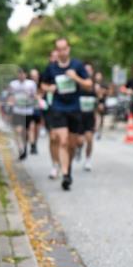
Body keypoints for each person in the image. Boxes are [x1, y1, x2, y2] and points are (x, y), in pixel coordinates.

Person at [40, 37, 92, 190]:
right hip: (58, 107)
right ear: (56, 51)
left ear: (68, 49)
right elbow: (43, 84)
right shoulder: (52, 68)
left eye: (64, 49)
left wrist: (75, 77)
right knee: (62, 140)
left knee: (72, 144)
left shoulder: (77, 65)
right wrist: (49, 88)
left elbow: (89, 85)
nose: (62, 52)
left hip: (74, 108)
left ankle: (67, 169)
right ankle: (65, 174)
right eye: (59, 49)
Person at [6, 68, 37, 160]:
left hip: (28, 111)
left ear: (25, 74)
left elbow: (34, 95)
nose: (21, 75)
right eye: (19, 74)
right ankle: (21, 150)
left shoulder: (31, 84)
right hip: (17, 110)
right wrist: (10, 104)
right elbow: (10, 96)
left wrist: (32, 98)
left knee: (26, 131)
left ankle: (27, 146)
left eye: (22, 74)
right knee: (18, 131)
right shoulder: (13, 84)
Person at [78, 62, 99, 171]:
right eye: (85, 70)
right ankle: (78, 149)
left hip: (89, 118)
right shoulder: (77, 88)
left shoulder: (95, 90)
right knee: (80, 141)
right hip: (78, 118)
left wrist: (96, 123)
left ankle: (88, 160)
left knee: (89, 139)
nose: (87, 72)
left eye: (89, 70)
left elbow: (96, 108)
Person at [28, 69, 42, 154]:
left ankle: (35, 143)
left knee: (37, 128)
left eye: (36, 75)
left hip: (39, 109)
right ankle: (32, 146)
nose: (34, 77)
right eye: (32, 76)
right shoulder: (27, 84)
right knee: (31, 127)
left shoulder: (41, 84)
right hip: (29, 109)